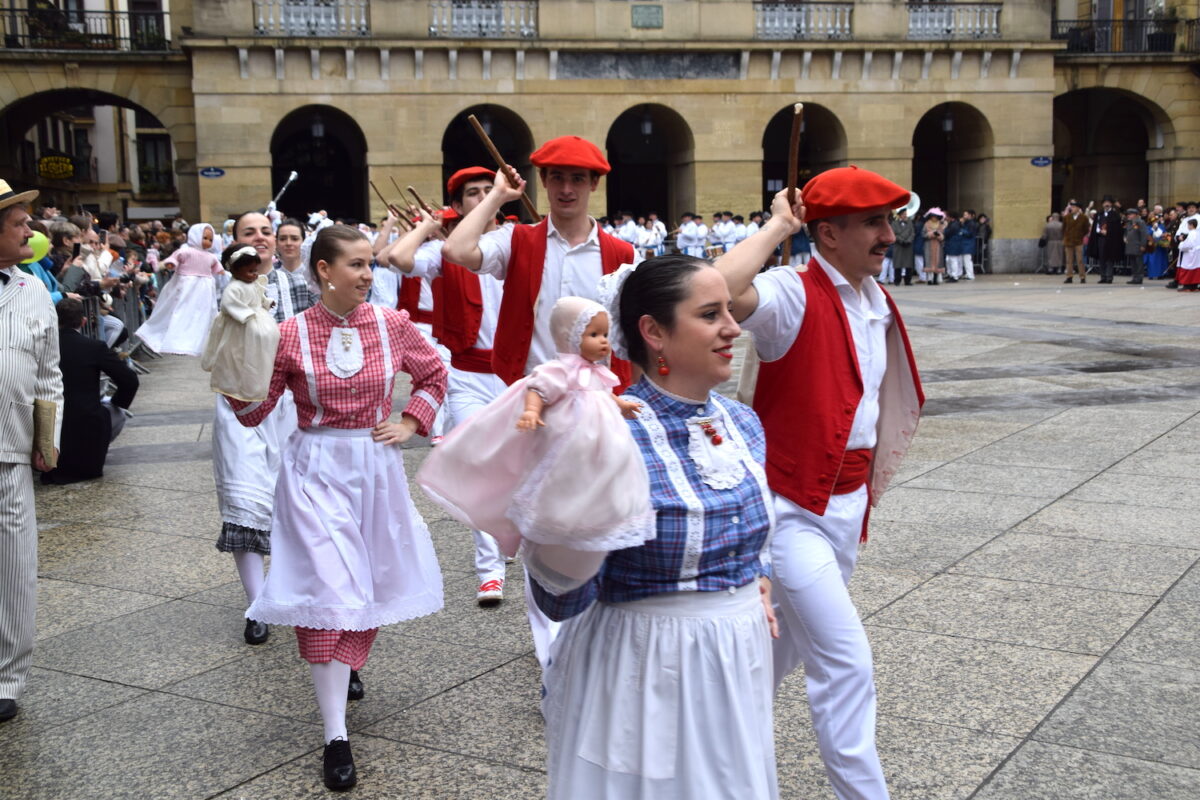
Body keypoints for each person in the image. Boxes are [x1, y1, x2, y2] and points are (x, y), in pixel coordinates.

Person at [528, 254, 783, 799]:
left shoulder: (742, 422)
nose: (733, 328)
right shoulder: (608, 434)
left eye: (730, 312)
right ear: (654, 333)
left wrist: (754, 581)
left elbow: (755, 533)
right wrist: (569, 516)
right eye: (710, 314)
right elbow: (558, 598)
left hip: (736, 656)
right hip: (646, 662)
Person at [717, 167, 925, 800]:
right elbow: (714, 291)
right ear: (827, 233)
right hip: (790, 510)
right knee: (844, 660)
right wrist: (779, 225)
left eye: (890, 221)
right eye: (873, 223)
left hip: (846, 506)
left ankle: (710, 770)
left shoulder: (875, 299)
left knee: (769, 661)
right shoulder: (790, 292)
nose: (889, 235)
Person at [225, 225, 447, 791]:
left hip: (374, 471)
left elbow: (433, 373)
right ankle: (335, 736)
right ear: (323, 270)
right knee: (328, 589)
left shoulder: (392, 324)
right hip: (313, 472)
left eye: (371, 263)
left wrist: (411, 420)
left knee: (366, 587)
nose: (368, 274)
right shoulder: (290, 333)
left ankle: (346, 667)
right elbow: (254, 412)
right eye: (355, 264)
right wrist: (234, 364)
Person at [418, 295, 652, 557]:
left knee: (604, 469)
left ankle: (597, 511)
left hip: (596, 439)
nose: (603, 341)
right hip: (567, 436)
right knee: (557, 472)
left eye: (605, 334)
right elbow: (537, 389)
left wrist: (620, 404)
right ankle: (554, 513)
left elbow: (601, 392)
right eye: (594, 334)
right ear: (569, 336)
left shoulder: (594, 372)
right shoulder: (559, 370)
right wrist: (531, 410)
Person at [383, 166, 515, 604]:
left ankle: (511, 536)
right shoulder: (445, 254)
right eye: (472, 194)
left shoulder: (523, 244)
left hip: (519, 376)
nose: (482, 198)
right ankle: (489, 571)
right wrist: (426, 226)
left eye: (487, 191)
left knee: (520, 471)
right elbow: (398, 259)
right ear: (457, 207)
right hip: (467, 376)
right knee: (477, 468)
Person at [209, 211, 309, 648]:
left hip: (289, 403)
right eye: (249, 233)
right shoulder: (225, 286)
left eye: (266, 232)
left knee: (296, 500)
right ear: (235, 245)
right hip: (240, 400)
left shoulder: (298, 284)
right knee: (244, 495)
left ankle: (297, 590)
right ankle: (257, 605)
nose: (261, 239)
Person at [0, 181, 63, 723]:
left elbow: (49, 373)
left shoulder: (33, 291)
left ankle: (6, 677)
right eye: (19, 223)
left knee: (14, 567)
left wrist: (47, 441)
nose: (30, 231)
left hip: (10, 452)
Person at [40, 297, 138, 485]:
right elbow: (130, 381)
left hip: (49, 425)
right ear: (83, 321)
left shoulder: (43, 346)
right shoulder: (94, 347)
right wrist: (117, 403)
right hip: (87, 423)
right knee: (117, 413)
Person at [201, 244, 280, 402]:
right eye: (250, 271)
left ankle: (259, 378)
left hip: (256, 317)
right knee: (236, 354)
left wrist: (266, 302)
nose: (254, 275)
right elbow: (229, 304)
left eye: (256, 270)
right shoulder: (234, 288)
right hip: (240, 323)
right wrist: (247, 314)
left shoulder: (252, 284)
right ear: (235, 270)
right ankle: (235, 383)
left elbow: (259, 296)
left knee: (262, 347)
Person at [136, 222, 224, 356]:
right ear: (195, 236)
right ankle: (174, 338)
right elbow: (174, 259)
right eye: (205, 238)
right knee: (180, 310)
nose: (208, 242)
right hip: (186, 284)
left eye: (210, 240)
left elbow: (217, 267)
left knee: (201, 313)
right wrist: (171, 264)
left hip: (204, 287)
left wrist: (222, 272)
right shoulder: (185, 251)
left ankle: (196, 340)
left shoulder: (211, 256)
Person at [1096, 196, 1124, 284]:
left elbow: (1117, 228)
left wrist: (1108, 232)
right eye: (1105, 203)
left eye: (1108, 203)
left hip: (1111, 239)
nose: (1106, 204)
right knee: (1102, 258)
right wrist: (1099, 230)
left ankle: (1109, 277)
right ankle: (1103, 277)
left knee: (1109, 259)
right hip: (1101, 239)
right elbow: (1096, 225)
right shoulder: (1099, 214)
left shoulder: (1115, 215)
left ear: (1111, 204)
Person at [1061, 201, 1088, 283]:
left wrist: (1080, 235)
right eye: (1071, 207)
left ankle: (1082, 277)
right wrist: (1066, 236)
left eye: (1074, 207)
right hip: (1068, 241)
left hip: (1078, 241)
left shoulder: (1084, 218)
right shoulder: (1067, 217)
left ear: (1078, 208)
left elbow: (1086, 229)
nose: (1072, 209)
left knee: (1080, 260)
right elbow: (1063, 228)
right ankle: (1069, 276)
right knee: (1069, 260)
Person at [890, 208, 916, 286]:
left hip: (908, 245)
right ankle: (897, 280)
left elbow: (912, 233)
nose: (905, 215)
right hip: (898, 245)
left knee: (909, 264)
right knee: (898, 264)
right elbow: (894, 234)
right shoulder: (894, 223)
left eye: (906, 214)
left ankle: (908, 280)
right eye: (904, 214)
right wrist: (901, 240)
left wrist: (909, 240)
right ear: (900, 215)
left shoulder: (910, 223)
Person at [1123, 208, 1149, 284]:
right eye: (1128, 214)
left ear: (1135, 215)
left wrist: (1143, 245)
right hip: (1130, 246)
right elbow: (1126, 232)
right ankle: (1134, 277)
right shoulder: (1129, 223)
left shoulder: (1140, 222)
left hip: (1137, 245)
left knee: (1139, 263)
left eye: (1130, 214)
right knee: (1133, 263)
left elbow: (1143, 234)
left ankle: (1139, 277)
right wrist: (1125, 237)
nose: (1129, 216)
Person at [923, 208, 946, 284]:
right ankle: (929, 279)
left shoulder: (940, 225)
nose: (934, 218)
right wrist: (930, 234)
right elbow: (923, 235)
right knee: (929, 262)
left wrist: (939, 236)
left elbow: (943, 235)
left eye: (936, 216)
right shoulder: (926, 224)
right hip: (928, 245)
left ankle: (936, 279)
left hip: (938, 245)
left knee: (937, 262)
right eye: (933, 216)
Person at [1177, 218, 1200, 291]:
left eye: (1188, 225)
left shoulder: (1191, 233)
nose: (1187, 226)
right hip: (1196, 254)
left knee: (1187, 269)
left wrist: (1181, 244)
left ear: (1191, 225)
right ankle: (1194, 285)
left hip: (1190, 254)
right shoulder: (1197, 233)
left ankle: (1187, 286)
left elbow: (1188, 245)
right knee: (1195, 269)